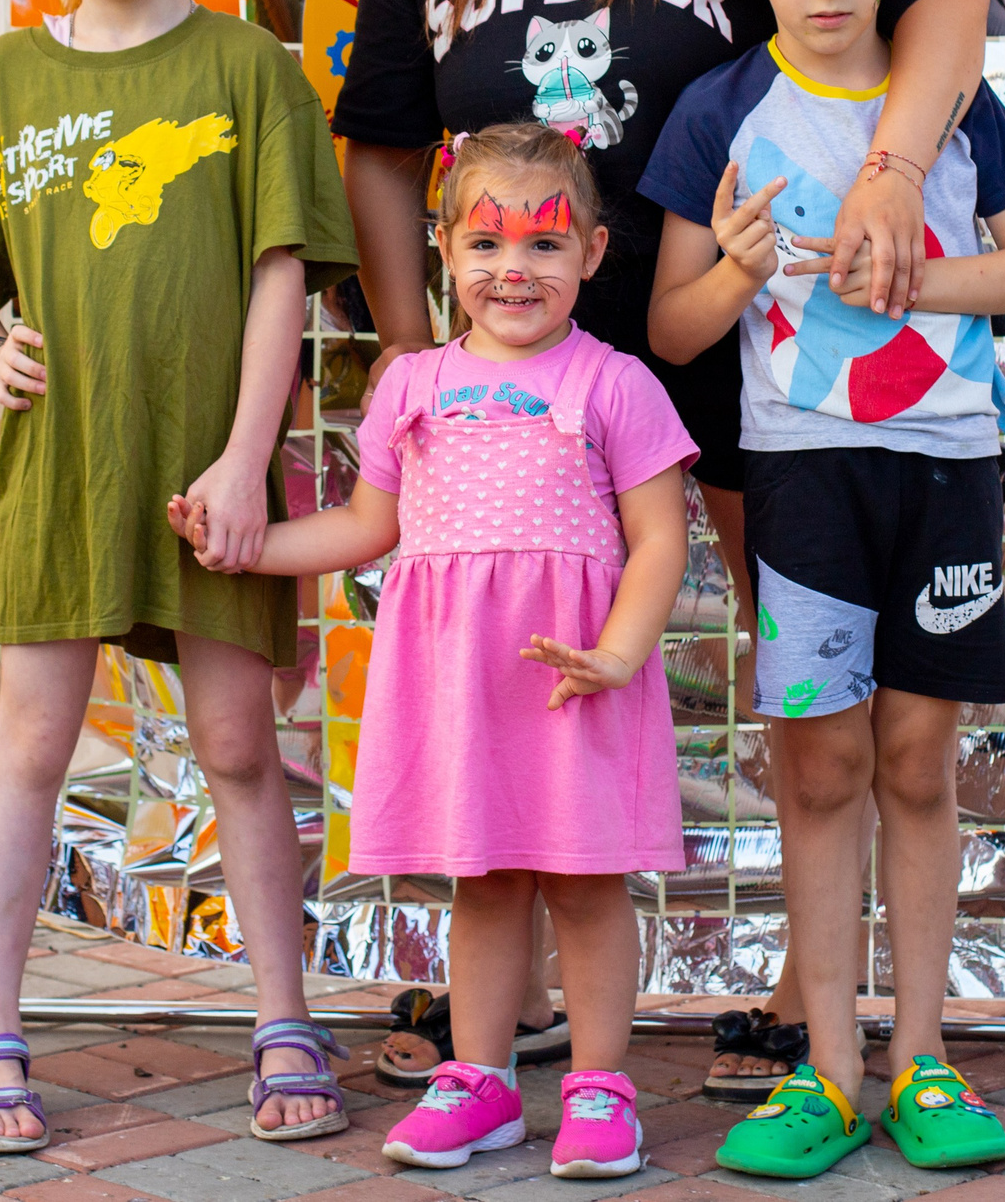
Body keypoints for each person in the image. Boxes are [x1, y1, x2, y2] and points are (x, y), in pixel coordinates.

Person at [332, 0, 993, 1098]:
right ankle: (504, 990)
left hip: (753, 349)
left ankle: (812, 994)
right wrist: (409, 348)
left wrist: (894, 169)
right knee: (517, 656)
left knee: (815, 678)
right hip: (531, 371)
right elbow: (380, 140)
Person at [0, 0, 360, 1154]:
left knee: (237, 743)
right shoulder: (8, 77)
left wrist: (243, 459)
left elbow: (282, 272)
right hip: (63, 465)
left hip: (206, 465)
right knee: (29, 746)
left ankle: (283, 1016)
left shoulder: (245, 69)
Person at [641, 0, 1005, 1179]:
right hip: (801, 480)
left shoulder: (947, 106)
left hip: (945, 469)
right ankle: (826, 1066)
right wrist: (739, 270)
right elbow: (671, 331)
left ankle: (922, 1054)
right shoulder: (722, 109)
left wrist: (911, 277)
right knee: (821, 768)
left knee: (916, 762)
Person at [181, 122, 696, 1178]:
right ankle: (481, 1080)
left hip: (571, 681)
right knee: (485, 881)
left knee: (585, 885)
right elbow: (365, 526)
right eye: (487, 243)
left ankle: (601, 1087)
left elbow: (659, 540)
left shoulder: (617, 385)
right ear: (445, 249)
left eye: (545, 243)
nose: (515, 269)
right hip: (460, 683)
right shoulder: (410, 385)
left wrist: (615, 653)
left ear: (593, 252)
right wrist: (249, 546)